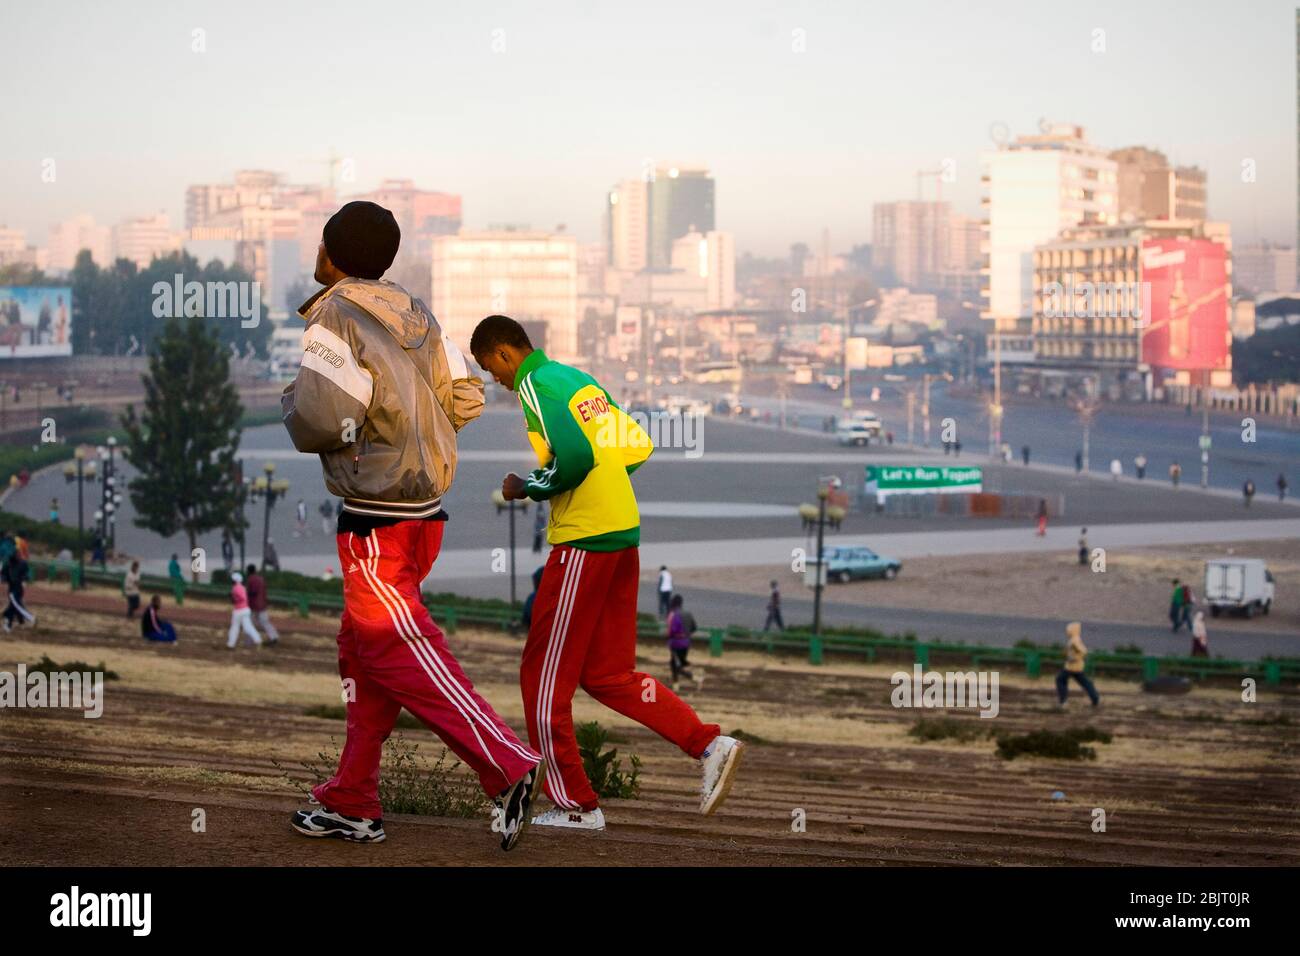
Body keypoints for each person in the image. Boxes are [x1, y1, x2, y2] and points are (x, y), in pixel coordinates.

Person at [283, 202, 541, 850]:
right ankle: (352, 799)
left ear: (332, 256)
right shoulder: (415, 311)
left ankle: (507, 765)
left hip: (377, 517)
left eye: (321, 246)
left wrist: (301, 404)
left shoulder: (334, 314)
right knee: (364, 656)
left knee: (398, 648)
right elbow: (467, 397)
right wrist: (417, 430)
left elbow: (320, 418)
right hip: (424, 513)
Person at [472, 313, 742, 833]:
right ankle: (710, 744)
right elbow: (636, 446)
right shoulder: (579, 380)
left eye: (491, 369)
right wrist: (605, 481)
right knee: (608, 676)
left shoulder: (535, 383)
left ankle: (576, 805)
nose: (496, 382)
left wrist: (528, 486)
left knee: (542, 676)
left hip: (584, 540)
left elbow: (572, 456)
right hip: (624, 532)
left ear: (505, 354)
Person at [1056, 621, 1099, 707]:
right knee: (1085, 683)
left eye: (1068, 629)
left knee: (1060, 680)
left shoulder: (1074, 640)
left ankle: (1063, 701)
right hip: (1076, 667)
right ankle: (1095, 698)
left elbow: (1083, 651)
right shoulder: (1075, 639)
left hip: (1071, 667)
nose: (1067, 631)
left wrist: (1075, 658)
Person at [666, 594, 701, 691]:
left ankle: (693, 679)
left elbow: (671, 631)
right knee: (678, 664)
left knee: (674, 664)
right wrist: (687, 635)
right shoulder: (688, 614)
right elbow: (694, 627)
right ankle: (678, 684)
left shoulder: (673, 614)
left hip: (675, 643)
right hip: (686, 643)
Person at [244, 563, 279, 645]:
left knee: (250, 623)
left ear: (248, 571)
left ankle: (249, 641)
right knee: (265, 622)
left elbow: (252, 593)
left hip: (254, 605)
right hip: (262, 604)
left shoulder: (251, 579)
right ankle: (274, 636)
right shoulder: (261, 579)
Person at [226, 571, 262, 649]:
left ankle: (230, 644)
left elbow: (241, 598)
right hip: (246, 609)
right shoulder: (242, 587)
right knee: (248, 627)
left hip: (239, 610)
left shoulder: (235, 588)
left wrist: (233, 598)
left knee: (234, 627)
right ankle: (258, 640)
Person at [2, 550, 34, 631]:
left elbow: (27, 573)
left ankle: (8, 620)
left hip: (19, 587)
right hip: (12, 587)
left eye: (20, 555)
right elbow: (3, 574)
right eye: (18, 555)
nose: (19, 556)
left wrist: (25, 578)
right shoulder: (8, 564)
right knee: (15, 605)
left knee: (14, 605)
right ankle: (24, 620)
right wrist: (4, 579)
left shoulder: (23, 564)